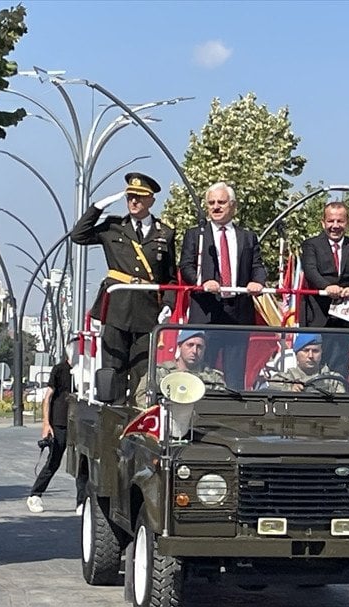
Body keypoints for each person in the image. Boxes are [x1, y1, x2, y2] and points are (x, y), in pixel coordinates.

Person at [71, 172, 178, 403]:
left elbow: (170, 277)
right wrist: (97, 207)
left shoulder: (165, 233)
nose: (134, 202)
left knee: (142, 372)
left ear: (151, 200)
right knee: (113, 369)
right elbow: (78, 235)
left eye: (139, 197)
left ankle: (138, 417)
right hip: (116, 309)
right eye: (130, 197)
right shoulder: (113, 227)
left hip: (147, 310)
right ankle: (114, 418)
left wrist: (168, 304)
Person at [178, 182, 266, 389]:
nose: (216, 207)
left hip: (238, 312)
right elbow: (186, 266)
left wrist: (258, 282)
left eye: (221, 202)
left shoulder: (247, 236)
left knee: (235, 375)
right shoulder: (196, 235)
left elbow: (257, 266)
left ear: (233, 206)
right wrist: (202, 282)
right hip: (206, 311)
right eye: (211, 203)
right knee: (202, 371)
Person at [298, 202, 349, 376]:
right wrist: (327, 287)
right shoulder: (310, 245)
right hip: (317, 315)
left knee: (340, 364)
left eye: (340, 221)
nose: (335, 226)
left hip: (344, 318)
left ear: (347, 223)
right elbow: (310, 270)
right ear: (323, 222)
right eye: (331, 221)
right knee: (313, 365)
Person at [29, 339, 86, 514]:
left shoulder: (86, 371)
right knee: (54, 460)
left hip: (79, 423)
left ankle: (81, 502)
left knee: (81, 464)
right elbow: (48, 397)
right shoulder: (60, 370)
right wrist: (46, 424)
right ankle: (35, 495)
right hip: (59, 422)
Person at [273, 333, 345, 394]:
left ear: (321, 354)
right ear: (296, 354)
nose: (310, 356)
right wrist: (290, 390)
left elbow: (343, 406)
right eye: (306, 351)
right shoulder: (282, 380)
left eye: (315, 351)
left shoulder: (333, 380)